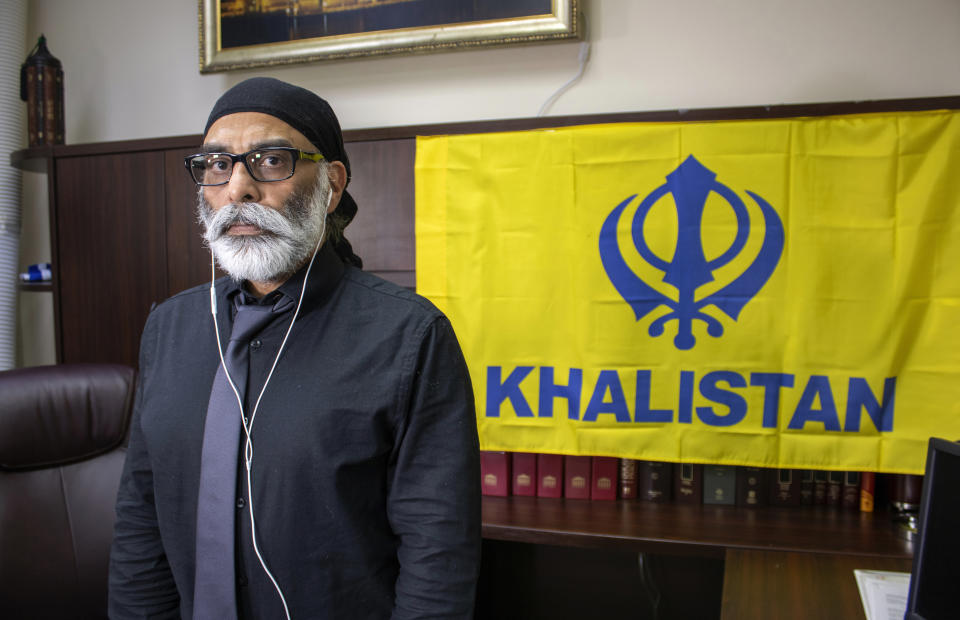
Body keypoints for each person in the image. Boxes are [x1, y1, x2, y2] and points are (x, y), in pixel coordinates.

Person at [108, 77, 481, 619]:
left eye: (270, 160)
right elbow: (142, 516)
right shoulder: (170, 326)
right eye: (217, 164)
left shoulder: (409, 336)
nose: (238, 189)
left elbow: (438, 552)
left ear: (330, 186)